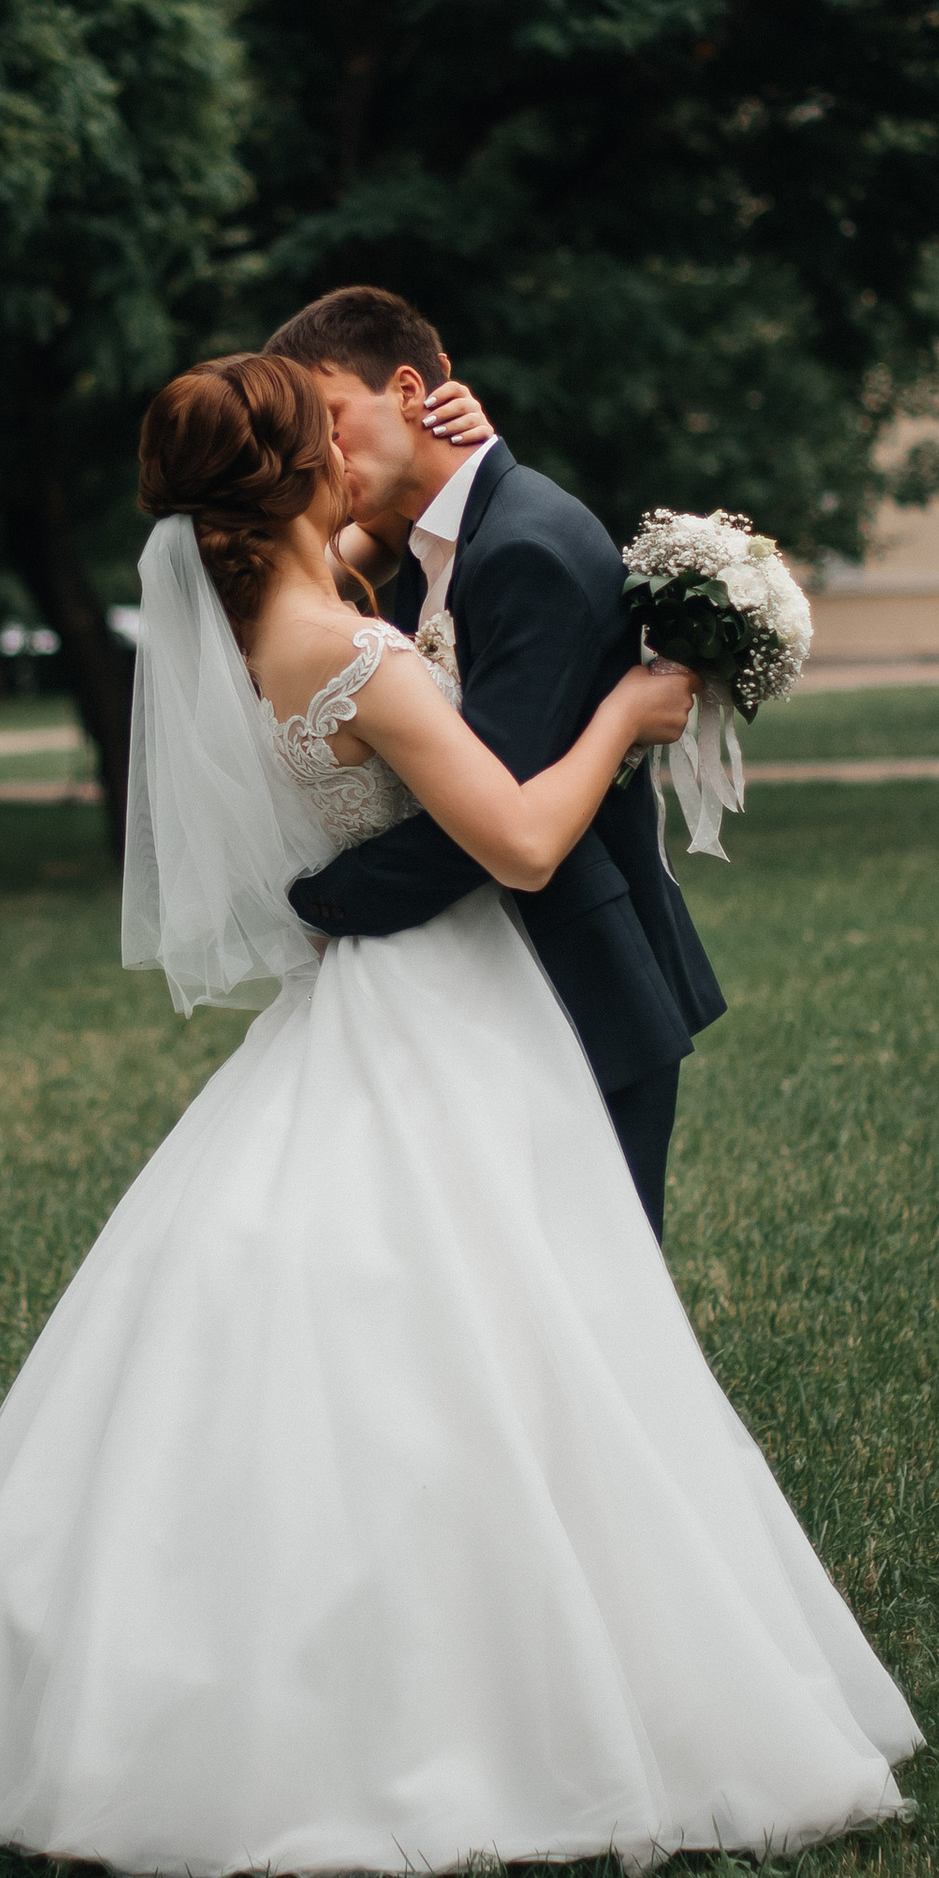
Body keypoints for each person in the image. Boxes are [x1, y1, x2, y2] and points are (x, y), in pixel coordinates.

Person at [0, 352, 920, 1878]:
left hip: (348, 1012)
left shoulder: (253, 629)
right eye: (329, 435)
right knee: (519, 1330)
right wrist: (627, 710)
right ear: (298, 478)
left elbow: (372, 551)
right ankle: (510, 1702)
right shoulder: (364, 659)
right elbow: (524, 840)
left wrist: (471, 450)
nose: (361, 450)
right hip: (448, 1002)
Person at [267, 285, 722, 1248]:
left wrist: (319, 901)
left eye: (331, 418)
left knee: (592, 1287)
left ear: (407, 391)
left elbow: (490, 822)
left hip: (581, 978)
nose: (321, 453)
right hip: (494, 982)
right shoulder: (436, 532)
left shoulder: (523, 549)